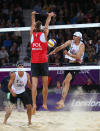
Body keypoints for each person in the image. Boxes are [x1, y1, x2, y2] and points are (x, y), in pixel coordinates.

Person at [49, 32, 85, 109]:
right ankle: (62, 102)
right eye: (73, 35)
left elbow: (78, 57)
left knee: (67, 80)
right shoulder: (70, 42)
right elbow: (61, 47)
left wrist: (68, 55)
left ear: (79, 37)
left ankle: (62, 101)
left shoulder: (82, 45)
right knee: (65, 83)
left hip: (76, 65)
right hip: (69, 64)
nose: (73, 36)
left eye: (75, 36)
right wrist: (54, 51)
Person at [30, 11, 55, 114]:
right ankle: (44, 103)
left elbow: (32, 25)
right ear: (41, 28)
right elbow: (47, 24)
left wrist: (32, 15)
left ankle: (34, 104)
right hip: (43, 61)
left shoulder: (32, 34)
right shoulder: (44, 35)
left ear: (34, 28)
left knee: (34, 85)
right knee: (45, 85)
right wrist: (49, 16)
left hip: (34, 62)